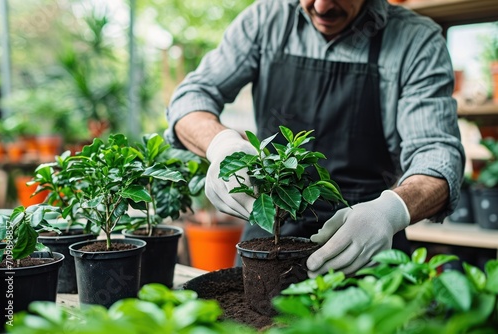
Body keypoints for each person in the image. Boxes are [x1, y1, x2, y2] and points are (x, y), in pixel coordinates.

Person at [165, 0, 465, 276]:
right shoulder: (266, 20)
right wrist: (222, 144)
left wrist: (391, 211)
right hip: (270, 228)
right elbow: (191, 98)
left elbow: (438, 155)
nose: (321, 6)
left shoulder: (415, 40)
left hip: (367, 239)